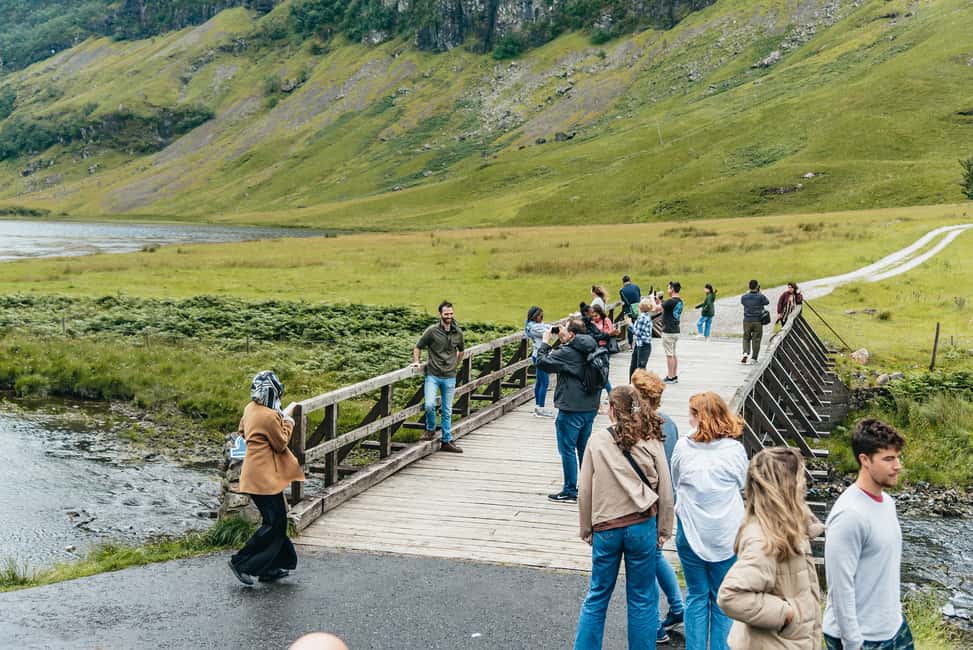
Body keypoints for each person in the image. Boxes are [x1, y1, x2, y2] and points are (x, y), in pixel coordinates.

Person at [575, 385, 674, 650]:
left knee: (597, 596)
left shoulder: (597, 441)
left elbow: (584, 488)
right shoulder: (651, 440)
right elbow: (665, 487)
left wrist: (586, 527)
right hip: (642, 524)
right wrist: (664, 528)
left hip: (606, 524)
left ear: (612, 410)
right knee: (642, 598)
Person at [717, 447, 824, 649]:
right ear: (786, 486)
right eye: (800, 479)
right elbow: (730, 595)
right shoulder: (762, 539)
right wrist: (786, 613)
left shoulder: (787, 526)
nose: (804, 485)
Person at [823, 419, 912, 650]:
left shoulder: (888, 503)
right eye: (888, 459)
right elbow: (840, 588)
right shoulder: (849, 515)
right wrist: (853, 644)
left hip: (894, 627)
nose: (897, 466)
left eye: (898, 457)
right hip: (861, 638)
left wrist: (896, 616)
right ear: (864, 460)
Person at [671, 392, 749, 650]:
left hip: (690, 530)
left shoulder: (683, 447)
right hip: (725, 533)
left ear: (698, 418)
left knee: (696, 595)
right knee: (721, 598)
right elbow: (743, 484)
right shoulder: (734, 450)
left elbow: (675, 481)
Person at [229, 370, 305, 586]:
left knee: (274, 521)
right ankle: (241, 562)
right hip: (264, 478)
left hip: (253, 474)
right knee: (275, 523)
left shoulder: (250, 408)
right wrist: (288, 421)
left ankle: (269, 568)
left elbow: (242, 430)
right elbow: (281, 442)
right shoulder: (270, 415)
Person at [631, 370, 684, 644]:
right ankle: (677, 606)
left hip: (643, 501)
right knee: (654, 555)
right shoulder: (670, 424)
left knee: (642, 563)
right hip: (668, 496)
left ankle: (654, 627)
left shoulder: (636, 425)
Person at [536, 319, 600, 503]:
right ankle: (589, 486)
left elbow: (541, 362)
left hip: (571, 407)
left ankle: (570, 490)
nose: (561, 329)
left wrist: (546, 342)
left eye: (565, 327)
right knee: (583, 448)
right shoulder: (591, 346)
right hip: (590, 405)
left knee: (567, 449)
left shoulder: (568, 352)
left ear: (572, 334)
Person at [413, 300, 465, 453]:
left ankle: (447, 440)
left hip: (449, 376)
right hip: (433, 375)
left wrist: (456, 364)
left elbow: (461, 351)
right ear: (440, 314)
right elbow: (418, 346)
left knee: (447, 410)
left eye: (451, 313)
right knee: (429, 405)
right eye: (446, 314)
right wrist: (416, 362)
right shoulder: (432, 331)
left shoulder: (458, 332)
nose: (449, 316)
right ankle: (430, 429)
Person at [525, 306, 555, 418]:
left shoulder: (531, 326)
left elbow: (547, 327)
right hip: (541, 356)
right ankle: (541, 408)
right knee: (545, 382)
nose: (542, 318)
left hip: (536, 355)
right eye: (540, 316)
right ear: (535, 316)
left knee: (539, 382)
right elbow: (548, 330)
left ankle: (538, 407)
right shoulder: (535, 328)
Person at [740, 280, 769, 364]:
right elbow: (767, 302)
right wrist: (760, 293)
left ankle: (745, 353)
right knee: (756, 339)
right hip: (758, 321)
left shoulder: (744, 297)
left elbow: (743, 303)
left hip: (747, 321)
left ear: (749, 286)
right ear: (757, 287)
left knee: (746, 337)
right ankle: (754, 358)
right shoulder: (760, 296)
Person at [626, 298, 655, 379]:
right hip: (641, 344)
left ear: (640, 307)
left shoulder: (642, 318)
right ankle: (633, 383)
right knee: (635, 365)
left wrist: (630, 324)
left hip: (643, 345)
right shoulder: (646, 316)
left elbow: (637, 333)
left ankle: (638, 385)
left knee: (640, 368)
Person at [660, 282, 683, 384]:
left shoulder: (670, 302)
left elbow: (657, 307)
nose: (667, 290)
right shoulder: (680, 301)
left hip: (668, 331)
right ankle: (674, 375)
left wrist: (652, 298)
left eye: (668, 288)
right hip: (675, 330)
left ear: (672, 289)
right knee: (673, 354)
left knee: (669, 355)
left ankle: (670, 377)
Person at [620, 275, 642, 345]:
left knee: (630, 326)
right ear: (630, 280)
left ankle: (630, 344)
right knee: (639, 324)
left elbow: (623, 301)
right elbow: (639, 297)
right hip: (638, 309)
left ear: (623, 282)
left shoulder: (622, 290)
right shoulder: (636, 287)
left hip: (628, 310)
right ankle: (640, 341)